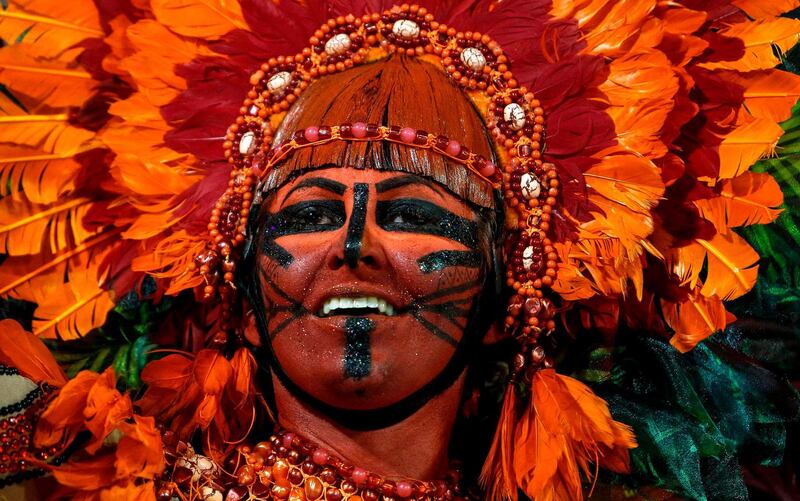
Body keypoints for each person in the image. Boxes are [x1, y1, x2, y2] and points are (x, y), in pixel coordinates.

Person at [0, 1, 799, 500]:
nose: (355, 246)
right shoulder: (75, 480)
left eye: (415, 212)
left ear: (504, 303)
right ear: (239, 301)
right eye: (310, 212)